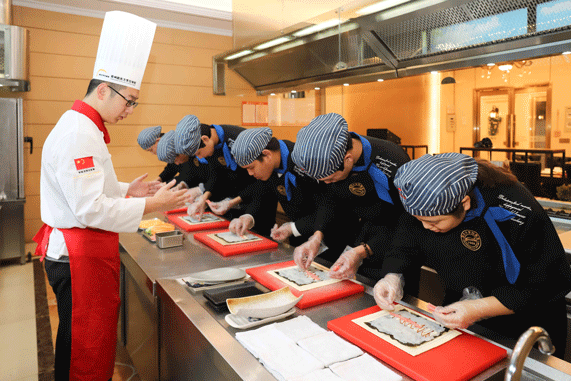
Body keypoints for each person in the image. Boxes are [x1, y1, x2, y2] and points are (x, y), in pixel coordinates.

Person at [32, 12, 190, 380]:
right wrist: (152, 204)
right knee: (81, 349)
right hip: (77, 257)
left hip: (82, 252)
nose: (129, 110)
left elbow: (85, 188)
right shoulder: (79, 134)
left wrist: (126, 190)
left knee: (85, 342)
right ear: (103, 90)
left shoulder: (84, 126)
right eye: (129, 101)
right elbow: (88, 208)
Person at [373, 152, 571, 359]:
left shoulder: (517, 209)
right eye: (419, 219)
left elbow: (547, 283)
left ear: (465, 203)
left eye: (434, 222)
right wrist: (393, 276)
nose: (425, 227)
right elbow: (406, 242)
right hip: (463, 309)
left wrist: (479, 308)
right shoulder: (423, 203)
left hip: (524, 322)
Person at [290, 113, 410, 281]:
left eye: (331, 179)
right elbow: (330, 199)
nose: (328, 183)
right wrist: (317, 237)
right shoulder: (331, 162)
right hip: (361, 237)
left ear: (348, 159)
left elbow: (407, 221)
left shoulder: (393, 161)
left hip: (397, 245)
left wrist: (364, 251)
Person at [174, 115, 278, 235]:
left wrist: (233, 202)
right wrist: (204, 197)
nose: (200, 157)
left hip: (260, 198)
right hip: (236, 199)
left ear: (205, 139)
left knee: (258, 237)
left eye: (199, 153)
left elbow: (259, 180)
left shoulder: (238, 139)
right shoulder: (211, 146)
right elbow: (216, 174)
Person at [229, 127, 327, 243]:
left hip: (327, 233)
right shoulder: (271, 165)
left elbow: (328, 205)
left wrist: (293, 228)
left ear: (267, 155)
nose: (250, 173)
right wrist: (248, 217)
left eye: (251, 167)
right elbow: (263, 192)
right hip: (298, 230)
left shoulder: (306, 161)